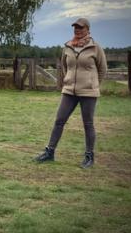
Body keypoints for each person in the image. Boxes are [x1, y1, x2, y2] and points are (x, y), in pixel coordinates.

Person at [35, 18, 107, 168]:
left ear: (88, 29)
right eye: (75, 27)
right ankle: (49, 152)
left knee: (88, 124)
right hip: (69, 91)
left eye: (80, 28)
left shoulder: (95, 48)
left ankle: (89, 156)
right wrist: (68, 81)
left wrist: (93, 84)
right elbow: (64, 67)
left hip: (88, 92)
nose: (77, 30)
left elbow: (102, 70)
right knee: (59, 120)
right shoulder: (68, 47)